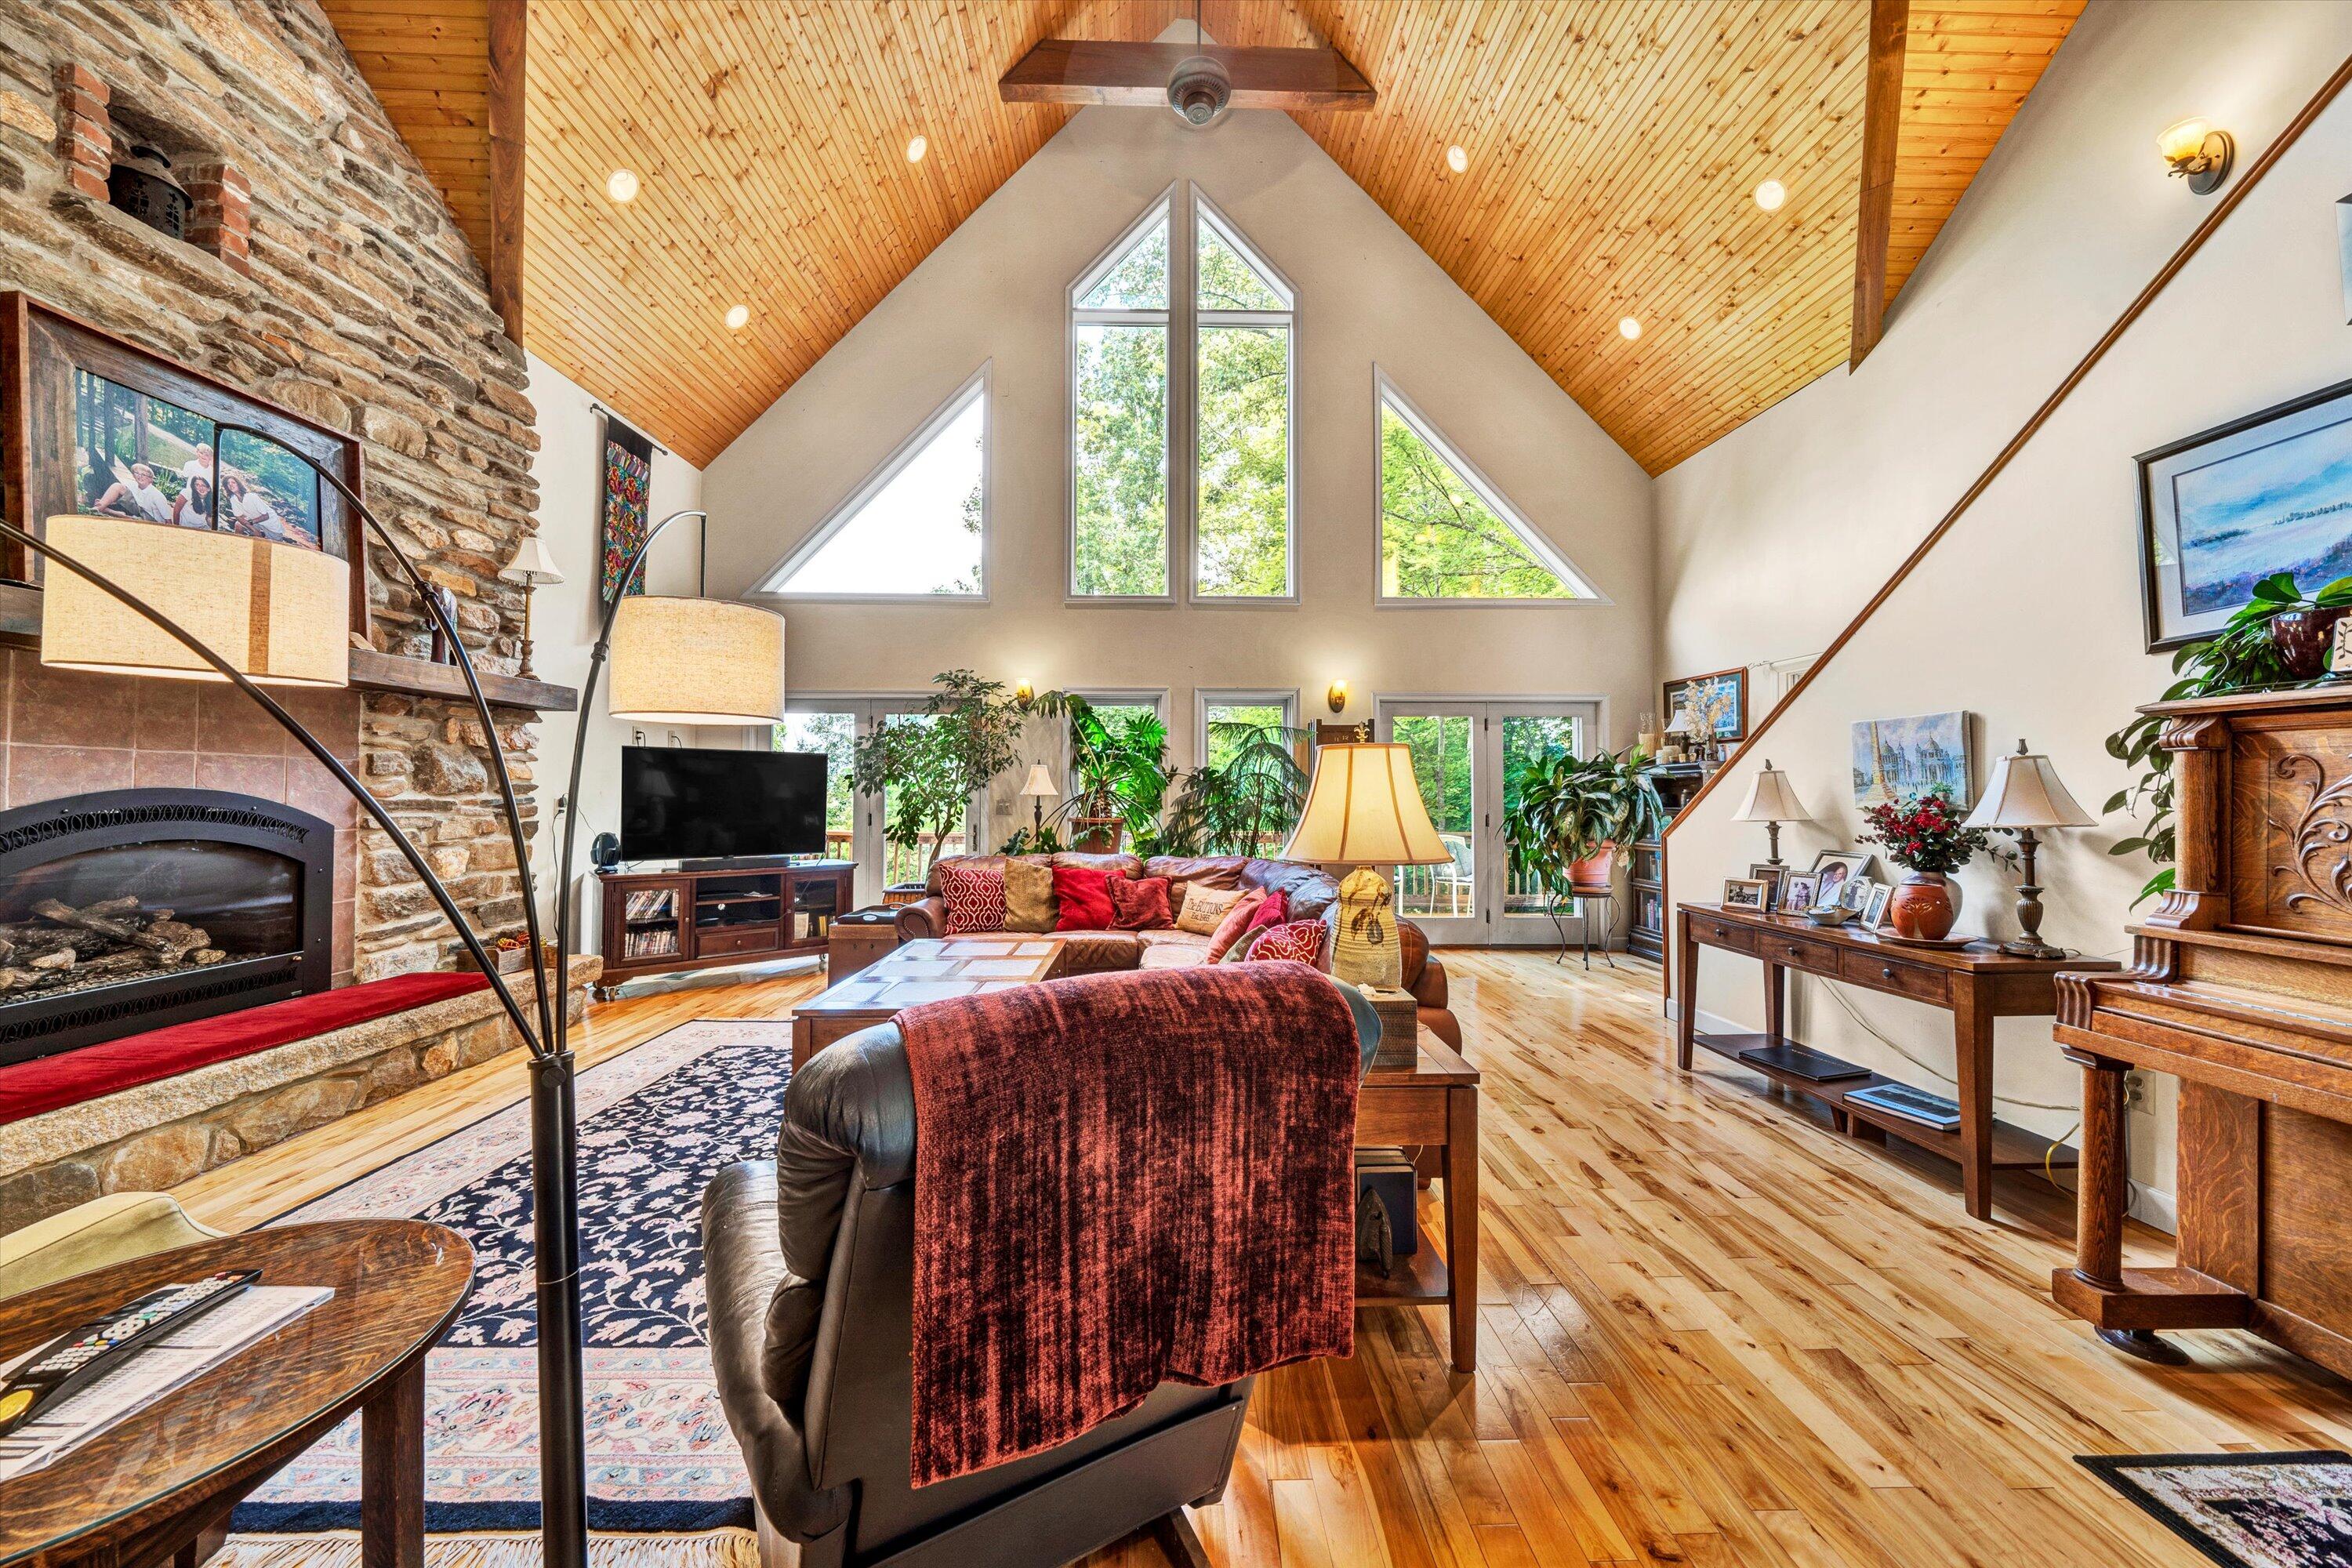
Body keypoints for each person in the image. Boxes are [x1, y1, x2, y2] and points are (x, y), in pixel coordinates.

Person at [89, 461, 173, 523]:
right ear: (133, 475)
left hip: (152, 519)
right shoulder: (134, 485)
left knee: (133, 520)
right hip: (139, 509)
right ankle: (97, 509)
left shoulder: (157, 496)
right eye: (137, 473)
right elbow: (118, 493)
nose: (140, 476)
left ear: (150, 480)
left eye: (143, 475)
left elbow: (168, 520)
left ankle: (108, 511)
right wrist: (105, 502)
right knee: (117, 486)